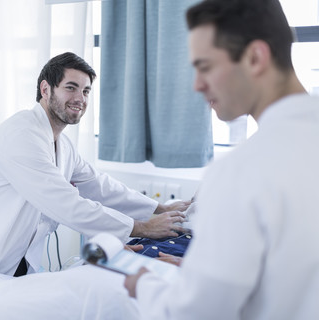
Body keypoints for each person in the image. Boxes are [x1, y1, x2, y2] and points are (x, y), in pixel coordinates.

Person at [0, 51, 191, 302]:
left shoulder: (61, 143)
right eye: (70, 87)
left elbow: (99, 185)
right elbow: (67, 205)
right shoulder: (21, 136)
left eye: (85, 91)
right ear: (45, 89)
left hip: (11, 263)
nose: (80, 99)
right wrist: (142, 227)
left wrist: (158, 207)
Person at [124, 0, 319, 319]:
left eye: (205, 67)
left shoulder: (243, 170)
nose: (197, 85)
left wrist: (145, 283)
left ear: (255, 57)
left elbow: (194, 313)